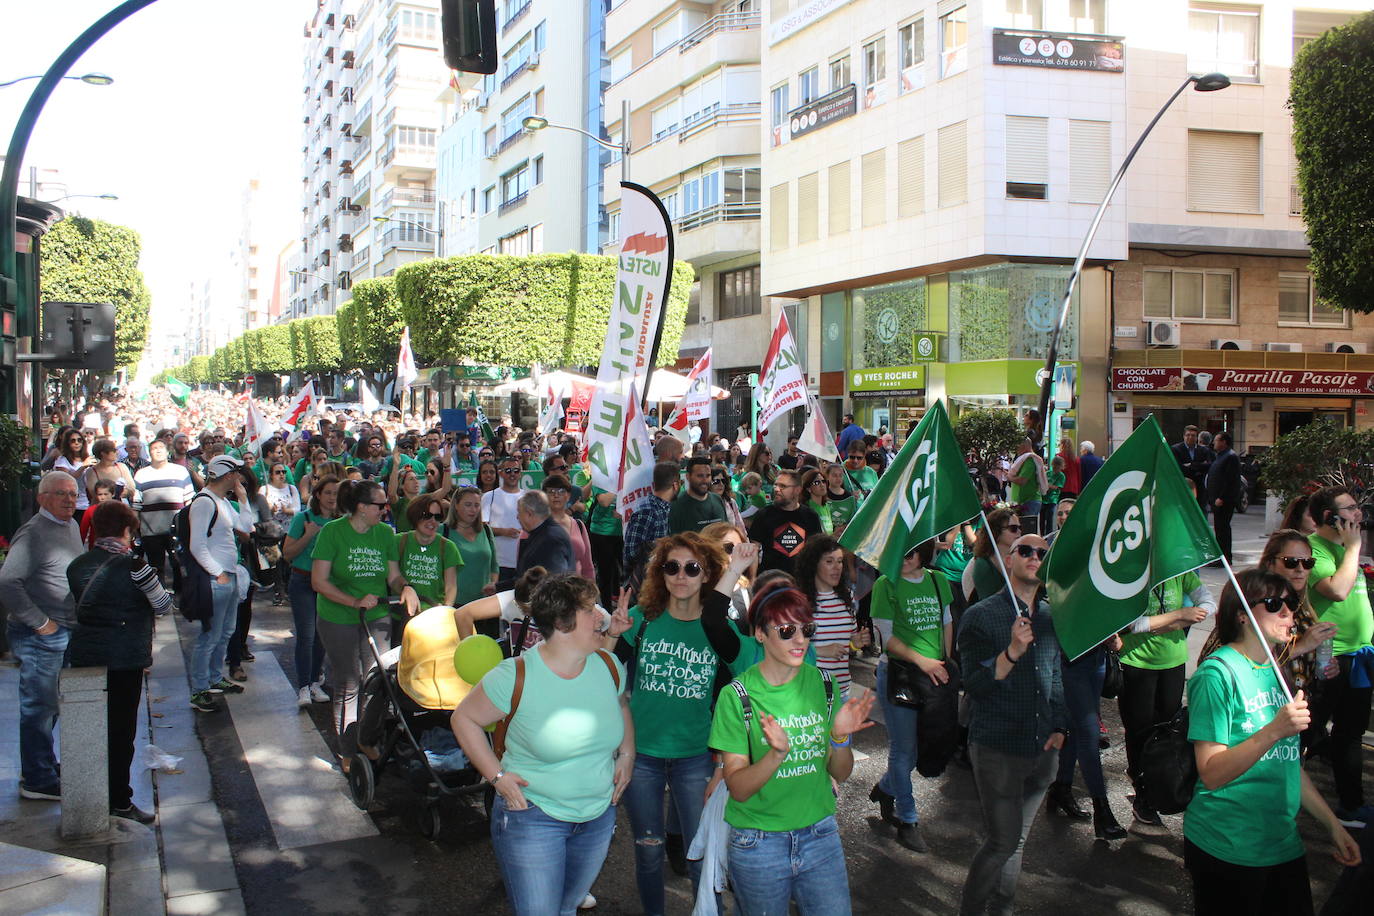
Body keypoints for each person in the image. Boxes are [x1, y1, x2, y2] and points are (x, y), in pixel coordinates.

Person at [452, 574, 634, 916]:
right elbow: (464, 720)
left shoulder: (609, 665)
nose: (602, 616)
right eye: (589, 609)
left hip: (597, 817)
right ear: (562, 622)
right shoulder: (514, 675)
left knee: (566, 908)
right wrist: (497, 777)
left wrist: (627, 752)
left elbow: (621, 704)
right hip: (532, 818)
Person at [1184, 569, 1361, 914]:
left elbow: (1288, 765)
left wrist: (1332, 825)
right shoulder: (1217, 674)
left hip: (1282, 844)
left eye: (1291, 604)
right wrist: (1274, 731)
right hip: (1227, 845)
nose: (1288, 613)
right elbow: (1211, 772)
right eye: (1274, 603)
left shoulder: (1273, 672)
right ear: (1242, 615)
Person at [708, 583, 877, 915]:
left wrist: (840, 738)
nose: (800, 640)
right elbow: (738, 788)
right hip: (758, 843)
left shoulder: (823, 685)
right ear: (760, 634)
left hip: (820, 834)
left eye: (806, 629)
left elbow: (839, 772)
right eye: (786, 631)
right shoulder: (738, 696)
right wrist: (775, 755)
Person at [619, 533, 754, 916]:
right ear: (660, 573)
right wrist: (610, 637)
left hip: (696, 756)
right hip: (641, 755)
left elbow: (739, 693)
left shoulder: (717, 630)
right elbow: (605, 676)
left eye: (691, 568)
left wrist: (721, 762)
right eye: (671, 567)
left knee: (700, 855)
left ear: (706, 574)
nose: (680, 576)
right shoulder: (638, 621)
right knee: (647, 851)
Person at [957, 534, 1066, 916]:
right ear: (1008, 557)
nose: (1034, 556)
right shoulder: (981, 615)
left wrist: (1060, 727)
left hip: (1041, 747)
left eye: (1041, 552)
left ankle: (1002, 910)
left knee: (1016, 841)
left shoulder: (1050, 614)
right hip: (997, 747)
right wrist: (1011, 652)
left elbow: (1053, 675)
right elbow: (974, 685)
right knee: (1002, 841)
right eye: (1025, 550)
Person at [66, 501, 172, 824]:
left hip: (86, 655)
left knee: (90, 728)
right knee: (122, 730)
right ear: (127, 531)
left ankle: (87, 794)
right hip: (124, 658)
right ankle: (120, 800)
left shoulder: (78, 565)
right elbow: (163, 604)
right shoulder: (136, 566)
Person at [311, 479, 420, 770]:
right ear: (361, 507)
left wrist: (405, 587)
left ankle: (366, 739)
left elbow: (393, 575)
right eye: (379, 505)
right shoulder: (332, 533)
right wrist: (352, 601)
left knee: (376, 679)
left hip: (376, 615)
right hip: (338, 617)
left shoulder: (385, 533)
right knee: (348, 682)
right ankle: (347, 750)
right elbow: (318, 581)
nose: (385, 510)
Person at [0, 472, 84, 801]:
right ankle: (36, 778)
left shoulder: (71, 525)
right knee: (39, 706)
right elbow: (7, 581)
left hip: (63, 630)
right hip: (41, 635)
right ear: (42, 498)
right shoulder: (34, 532)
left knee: (50, 706)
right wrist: (39, 622)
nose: (68, 499)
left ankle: (43, 763)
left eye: (73, 493)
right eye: (60, 493)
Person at [869, 539, 953, 852]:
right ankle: (908, 818)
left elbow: (946, 622)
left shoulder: (937, 579)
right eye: (898, 552)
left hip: (934, 674)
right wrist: (923, 661)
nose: (904, 558)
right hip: (900, 676)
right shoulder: (884, 584)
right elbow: (887, 639)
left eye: (911, 551)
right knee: (903, 750)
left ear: (924, 552)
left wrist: (944, 661)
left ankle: (887, 787)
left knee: (919, 751)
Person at [1116, 570, 1214, 825]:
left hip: (1173, 662)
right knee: (1138, 732)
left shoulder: (1179, 571)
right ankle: (1142, 794)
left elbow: (1208, 604)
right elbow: (1128, 625)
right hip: (1135, 662)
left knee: (1167, 734)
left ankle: (1160, 787)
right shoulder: (1132, 573)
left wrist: (1160, 623)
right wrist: (1180, 615)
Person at [1305, 486, 1373, 827]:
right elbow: (1337, 589)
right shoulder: (1314, 549)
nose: (1357, 514)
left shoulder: (1346, 547)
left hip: (1359, 657)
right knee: (1307, 730)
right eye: (1349, 509)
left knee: (1350, 733)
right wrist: (1355, 548)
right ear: (1330, 517)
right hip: (1329, 659)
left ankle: (1351, 804)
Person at [187, 456, 256, 713]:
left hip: (228, 574)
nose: (240, 476)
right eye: (237, 472)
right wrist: (218, 573)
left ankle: (215, 679)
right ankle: (199, 689)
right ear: (227, 475)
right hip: (217, 577)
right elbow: (197, 545)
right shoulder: (204, 502)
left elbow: (246, 527)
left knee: (225, 632)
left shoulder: (223, 501)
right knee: (210, 636)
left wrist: (243, 499)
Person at [283, 474, 340, 708]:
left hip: (328, 584)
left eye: (336, 493)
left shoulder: (340, 522)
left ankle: (316, 680)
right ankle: (304, 686)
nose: (332, 498)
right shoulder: (303, 518)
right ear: (318, 494)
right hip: (303, 582)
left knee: (321, 636)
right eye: (327, 493)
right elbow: (288, 554)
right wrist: (308, 535)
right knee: (306, 636)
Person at [796, 535, 861, 698]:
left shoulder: (848, 597)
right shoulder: (799, 601)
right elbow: (784, 647)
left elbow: (850, 641)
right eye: (829, 561)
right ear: (814, 564)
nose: (837, 567)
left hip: (842, 690)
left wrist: (856, 643)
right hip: (810, 691)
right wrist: (819, 651)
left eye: (839, 561)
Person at [133, 437, 195, 591]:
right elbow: (136, 504)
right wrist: (135, 529)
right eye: (154, 448)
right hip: (150, 530)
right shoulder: (141, 474)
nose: (158, 450)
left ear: (167, 451)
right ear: (149, 452)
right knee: (156, 567)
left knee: (179, 565)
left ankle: (182, 599)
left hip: (177, 530)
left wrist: (190, 527)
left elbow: (189, 502)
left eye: (161, 447)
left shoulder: (180, 471)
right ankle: (161, 600)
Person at [748, 470, 823, 576]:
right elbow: (754, 550)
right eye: (775, 485)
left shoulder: (811, 516)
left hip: (800, 582)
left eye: (782, 486)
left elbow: (816, 552)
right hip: (770, 582)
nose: (777, 489)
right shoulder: (764, 515)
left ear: (797, 490)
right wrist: (752, 580)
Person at [396, 495, 463, 613]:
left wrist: (445, 610)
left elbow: (451, 586)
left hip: (433, 613)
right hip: (402, 611)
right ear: (415, 516)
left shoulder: (448, 547)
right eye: (427, 516)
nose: (432, 521)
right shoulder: (399, 541)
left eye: (437, 517)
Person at [446, 487, 500, 628]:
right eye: (468, 505)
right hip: (455, 605)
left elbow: (494, 565)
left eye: (477, 505)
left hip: (484, 606)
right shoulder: (443, 531)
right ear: (456, 506)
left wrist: (493, 584)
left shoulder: (486, 531)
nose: (473, 510)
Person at [622, 462, 679, 587]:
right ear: (675, 485)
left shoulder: (665, 508)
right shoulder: (647, 511)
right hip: (643, 585)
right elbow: (631, 553)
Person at [482, 455, 527, 585]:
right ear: (501, 473)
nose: (512, 474)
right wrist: (503, 532)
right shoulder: (489, 497)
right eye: (508, 471)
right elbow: (481, 528)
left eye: (516, 470)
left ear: (521, 473)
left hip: (523, 562)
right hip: (499, 564)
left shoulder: (528, 497)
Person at [263, 460, 302, 605]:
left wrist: (288, 511)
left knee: (287, 561)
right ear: (271, 475)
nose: (281, 475)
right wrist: (270, 510)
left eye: (284, 472)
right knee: (275, 562)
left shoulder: (291, 489)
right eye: (278, 472)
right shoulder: (265, 489)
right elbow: (261, 509)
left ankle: (288, 589)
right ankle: (278, 591)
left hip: (288, 530)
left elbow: (298, 508)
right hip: (271, 533)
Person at [962, 508, 1020, 604]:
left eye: (1019, 528)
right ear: (996, 531)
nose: (1019, 532)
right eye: (1013, 528)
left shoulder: (1020, 557)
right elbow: (989, 602)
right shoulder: (981, 563)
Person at [543, 474, 594, 580]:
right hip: (546, 591)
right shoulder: (536, 526)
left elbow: (588, 566)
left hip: (577, 590)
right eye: (551, 491)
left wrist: (592, 593)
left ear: (568, 496)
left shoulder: (579, 525)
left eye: (561, 491)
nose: (556, 495)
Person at [668, 456, 728, 535]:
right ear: (688, 477)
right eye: (700, 476)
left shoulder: (717, 499)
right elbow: (674, 541)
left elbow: (726, 531)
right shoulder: (676, 505)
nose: (705, 480)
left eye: (708, 476)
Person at [1205, 431, 1241, 562]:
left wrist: (1222, 497)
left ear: (1224, 442)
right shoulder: (1220, 456)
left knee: (1223, 529)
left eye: (1217, 440)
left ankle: (1225, 557)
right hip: (1216, 499)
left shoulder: (1230, 457)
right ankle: (1220, 556)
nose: (1214, 443)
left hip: (1223, 501)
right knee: (1219, 529)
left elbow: (1230, 480)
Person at [1172, 426, 1214, 516]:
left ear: (1197, 437)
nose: (1190, 437)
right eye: (1188, 435)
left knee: (1201, 512)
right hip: (1184, 486)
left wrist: (1191, 465)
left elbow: (1209, 465)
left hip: (1200, 487)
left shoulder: (1204, 450)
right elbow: (1178, 467)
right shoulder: (1176, 449)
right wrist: (1200, 465)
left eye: (1193, 435)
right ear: (1184, 436)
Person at [1007, 438, 1046, 535]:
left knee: (1027, 533)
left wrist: (1010, 477)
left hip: (1029, 501)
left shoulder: (1029, 460)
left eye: (1017, 446)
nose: (1016, 449)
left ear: (1023, 446)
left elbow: (1022, 480)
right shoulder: (1024, 459)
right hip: (1024, 502)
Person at [86, 437, 137, 506]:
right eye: (114, 450)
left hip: (120, 507)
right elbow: (94, 493)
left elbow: (131, 488)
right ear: (103, 453)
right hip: (101, 509)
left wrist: (118, 493)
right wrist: (116, 493)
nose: (117, 452)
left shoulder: (122, 467)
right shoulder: (92, 471)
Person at [1056, 436, 1081, 501]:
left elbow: (1056, 472)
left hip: (1062, 486)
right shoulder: (1076, 458)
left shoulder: (1059, 457)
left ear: (1062, 445)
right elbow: (1079, 475)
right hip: (1074, 487)